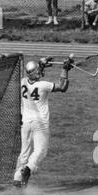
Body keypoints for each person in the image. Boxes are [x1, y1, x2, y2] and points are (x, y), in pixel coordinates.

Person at [13, 58, 72, 188]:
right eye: (37, 70)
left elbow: (35, 76)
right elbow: (62, 87)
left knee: (24, 151)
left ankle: (17, 177)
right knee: (41, 150)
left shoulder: (23, 82)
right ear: (32, 72)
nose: (39, 72)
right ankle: (28, 168)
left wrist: (41, 65)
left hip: (26, 122)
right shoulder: (43, 85)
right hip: (40, 123)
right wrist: (65, 69)